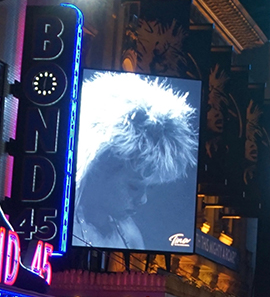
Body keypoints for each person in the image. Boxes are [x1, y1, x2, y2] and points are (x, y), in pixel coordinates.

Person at [72, 72, 199, 249]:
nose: (143, 200)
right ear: (98, 167)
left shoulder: (130, 235)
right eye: (134, 186)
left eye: (149, 188)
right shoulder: (63, 224)